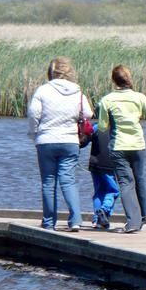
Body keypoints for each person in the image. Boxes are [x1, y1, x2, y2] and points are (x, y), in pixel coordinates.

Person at [27, 57, 93, 231]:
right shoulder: (77, 92)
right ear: (68, 72)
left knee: (49, 182)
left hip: (46, 141)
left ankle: (49, 223)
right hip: (70, 141)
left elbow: (34, 114)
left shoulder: (42, 90)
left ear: (50, 72)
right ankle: (76, 220)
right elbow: (88, 113)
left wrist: (34, 134)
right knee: (68, 180)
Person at [97, 65, 146, 233]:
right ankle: (141, 218)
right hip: (138, 146)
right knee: (139, 180)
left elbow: (103, 127)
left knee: (126, 184)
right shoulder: (139, 97)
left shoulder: (107, 100)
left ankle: (133, 223)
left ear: (114, 80)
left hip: (119, 146)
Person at [88, 123, 120, 230]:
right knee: (113, 190)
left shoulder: (96, 127)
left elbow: (84, 139)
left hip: (95, 163)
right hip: (109, 163)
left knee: (99, 191)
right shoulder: (117, 126)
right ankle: (104, 210)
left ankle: (97, 220)